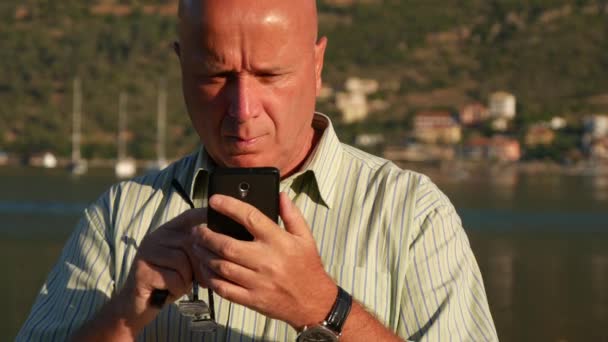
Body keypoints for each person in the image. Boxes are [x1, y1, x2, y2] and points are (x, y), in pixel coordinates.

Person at [18, 0, 498, 341]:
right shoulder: (119, 217)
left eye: (270, 76)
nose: (243, 109)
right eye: (215, 76)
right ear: (181, 65)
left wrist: (323, 308)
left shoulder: (412, 213)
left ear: (317, 65)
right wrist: (125, 315)